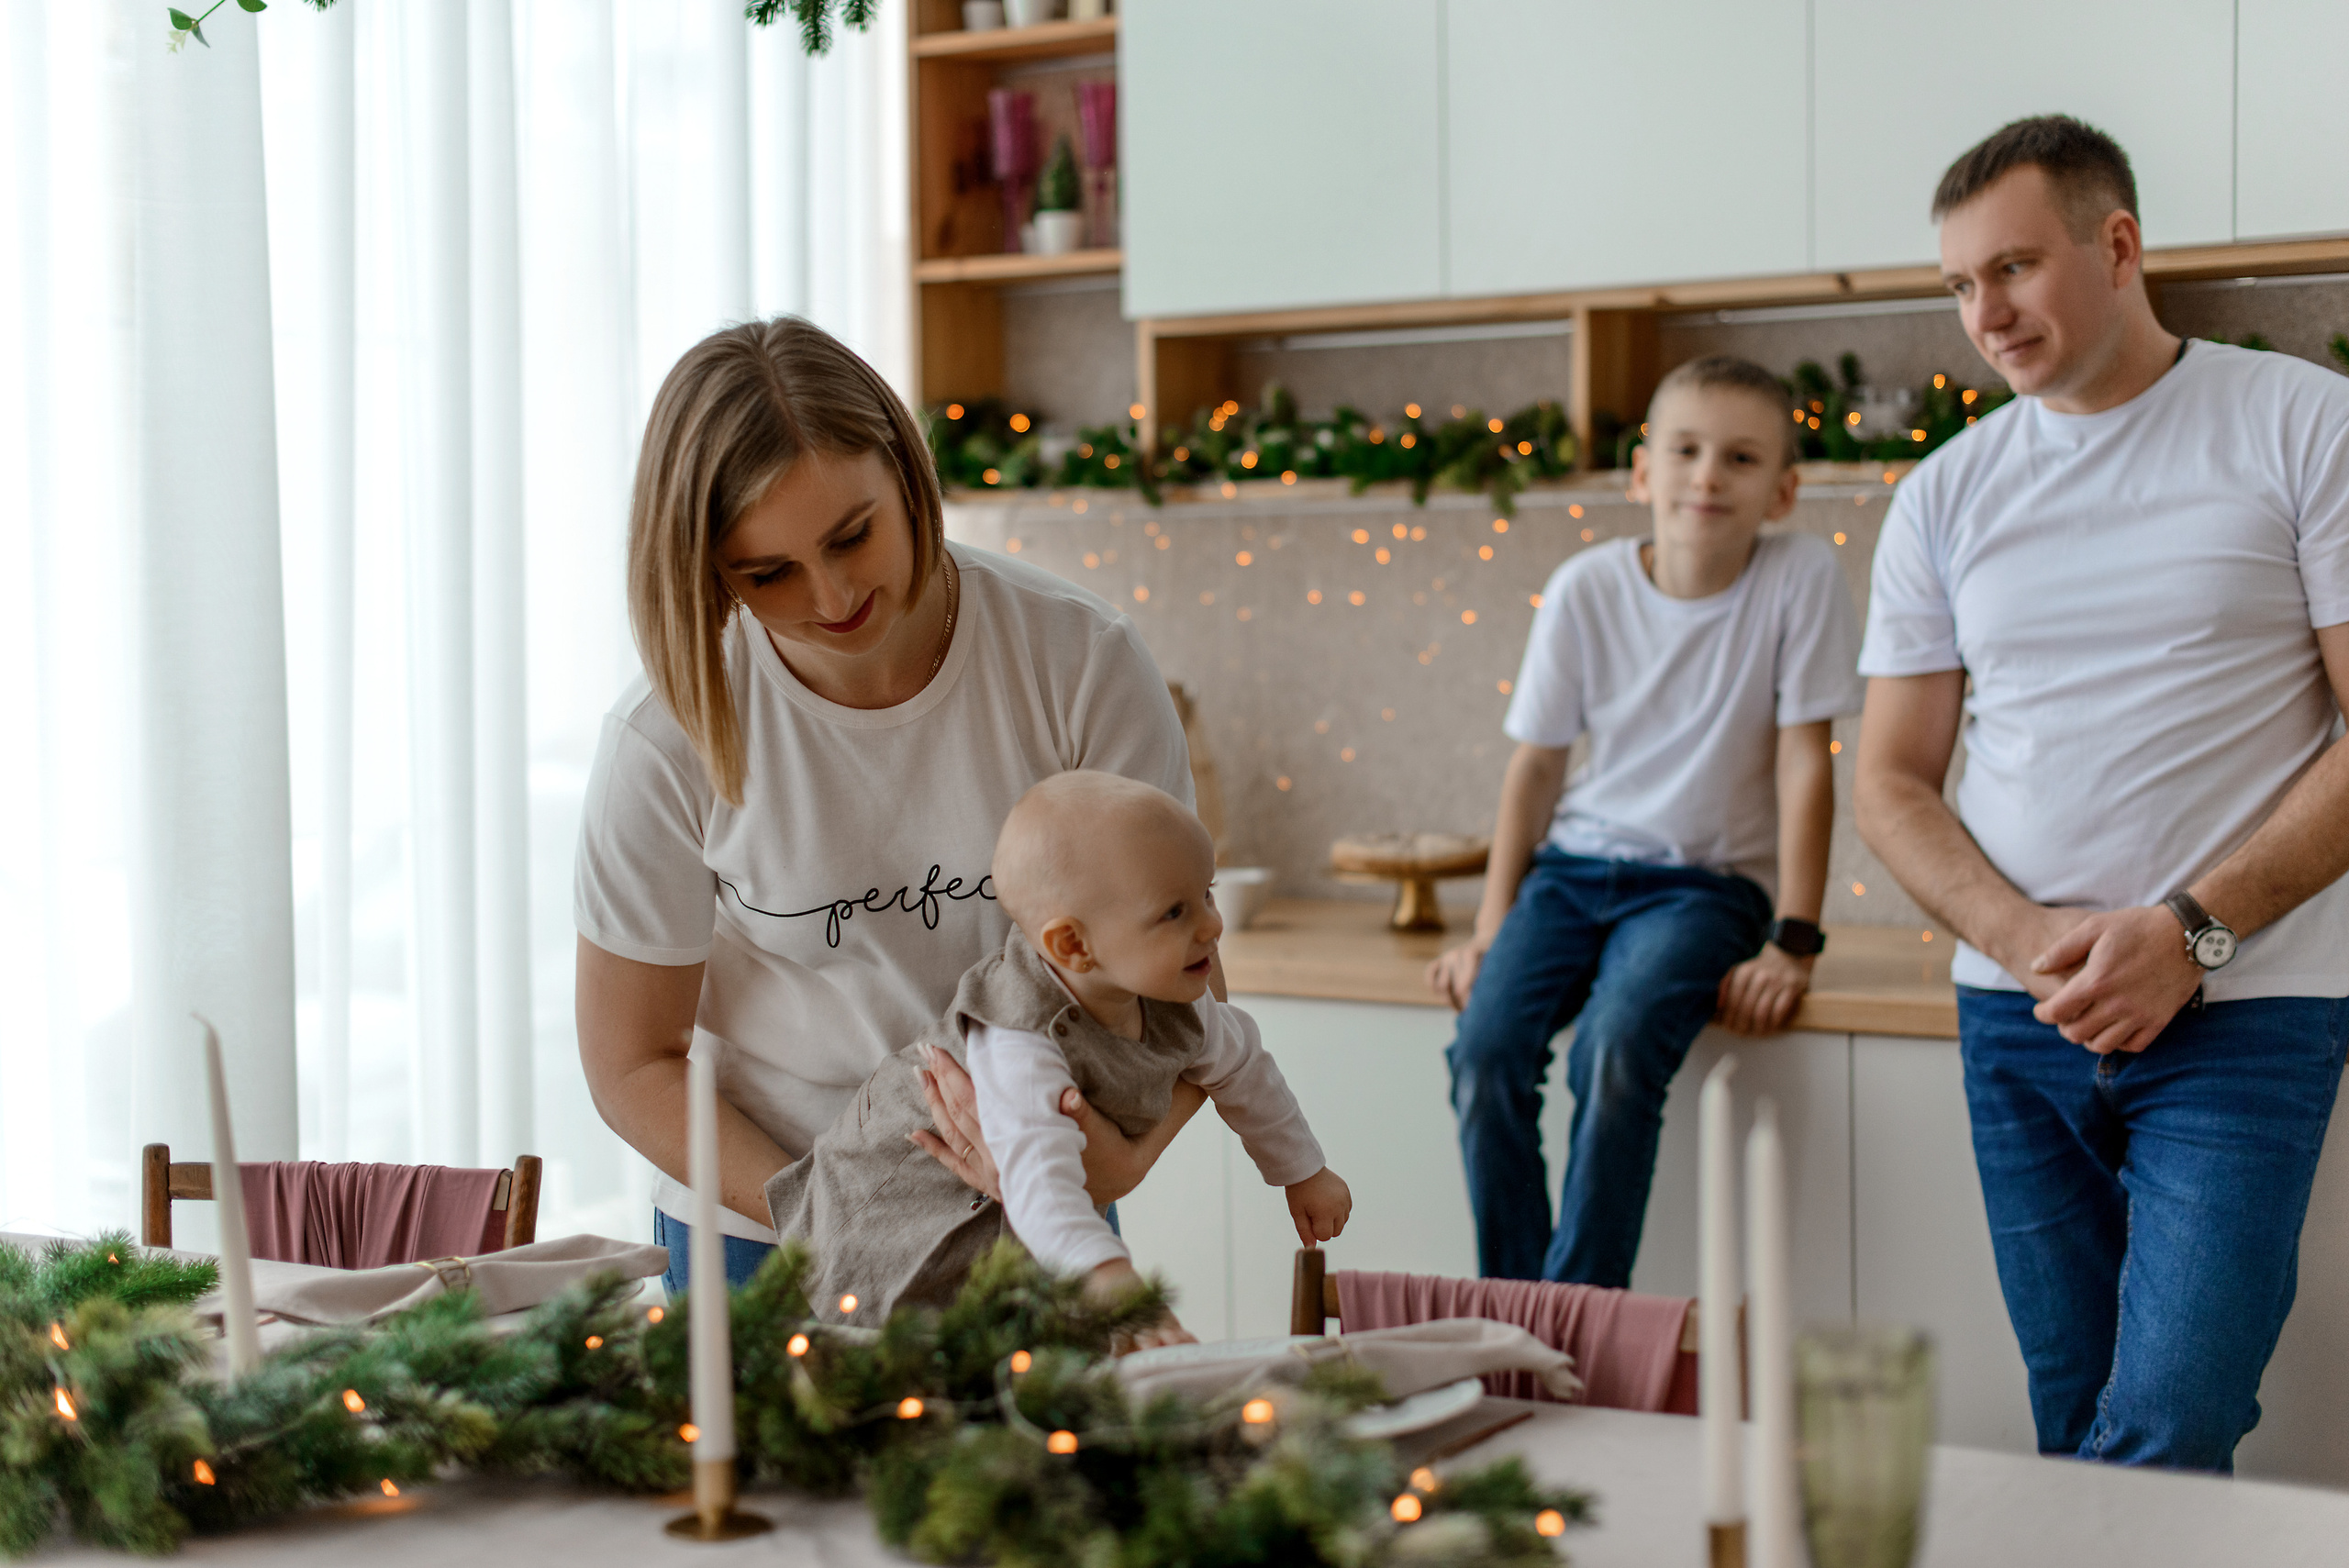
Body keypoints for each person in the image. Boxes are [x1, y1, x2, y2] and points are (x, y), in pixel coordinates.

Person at [1854, 115, 2349, 1471]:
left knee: (2173, 1415)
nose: (1984, 314)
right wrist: (2028, 944)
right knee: (2071, 1411)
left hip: (2249, 1002)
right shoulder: (1945, 494)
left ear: (2117, 244)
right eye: (1959, 284)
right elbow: (1890, 781)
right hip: (2019, 1019)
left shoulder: (2302, 421)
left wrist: (2187, 931)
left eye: (2011, 269)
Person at [574, 318, 1211, 1299]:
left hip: (1032, 1209)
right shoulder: (665, 739)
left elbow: (1186, 965)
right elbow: (630, 1060)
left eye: (851, 535)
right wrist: (821, 1214)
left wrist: (1119, 1162)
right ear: (707, 569)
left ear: (906, 476)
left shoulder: (1078, 663)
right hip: (764, 1231)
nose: (831, 597)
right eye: (767, 573)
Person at [1429, 355, 1864, 1286]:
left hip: (1704, 889)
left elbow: (1803, 765)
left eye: (1741, 458)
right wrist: (1490, 927)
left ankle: (1581, 1313)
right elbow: (1536, 766)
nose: (1707, 475)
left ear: (1782, 490)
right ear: (1641, 472)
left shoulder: (1799, 578)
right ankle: (1514, 1309)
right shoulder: (1586, 586)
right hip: (1573, 871)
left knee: (1617, 1046)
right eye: (1685, 450)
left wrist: (1792, 939)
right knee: (1484, 1050)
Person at [764, 772, 1350, 1340]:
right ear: (1073, 945)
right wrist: (1109, 1277)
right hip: (884, 1217)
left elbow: (1243, 1062)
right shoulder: (1022, 1042)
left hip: (1003, 1225)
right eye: (1175, 912)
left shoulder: (1172, 999)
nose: (1213, 926)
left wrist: (1302, 1170)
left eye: (1207, 895)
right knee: (892, 1364)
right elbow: (1042, 1185)